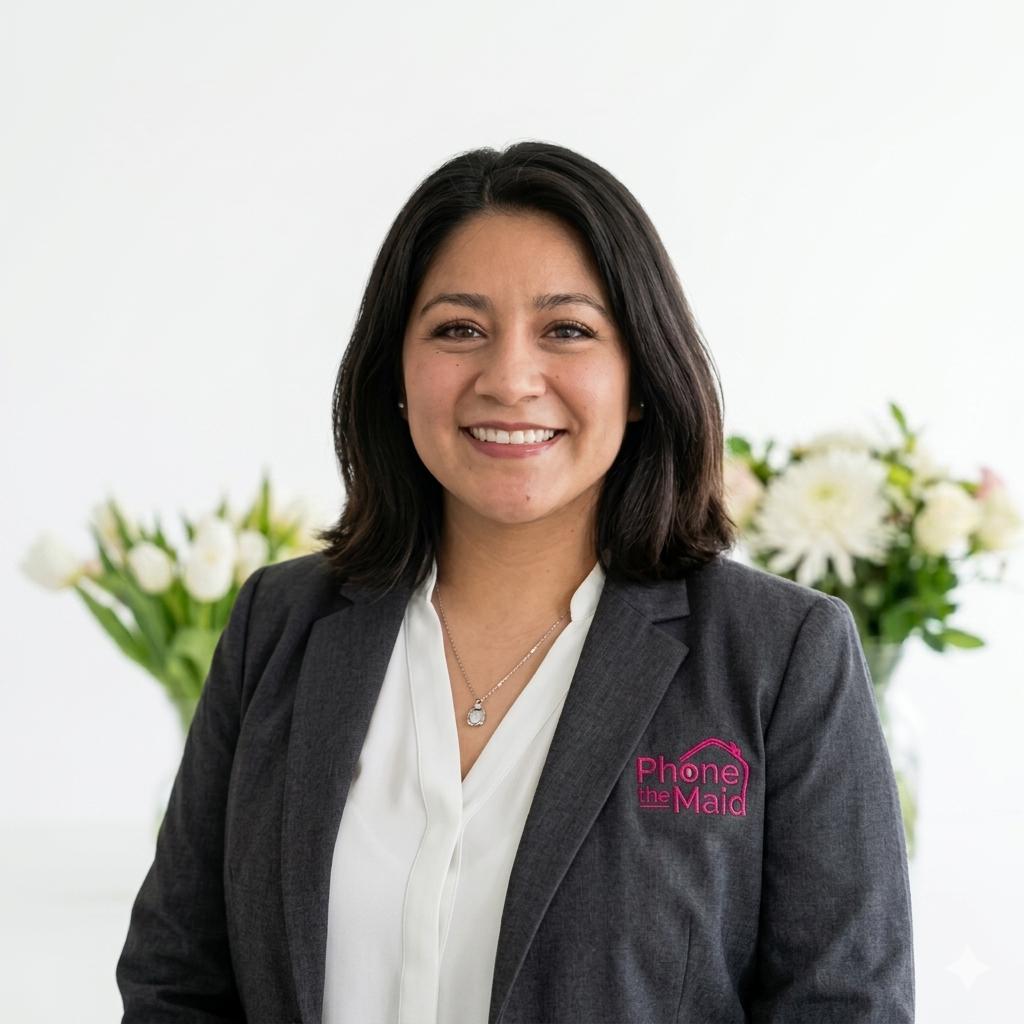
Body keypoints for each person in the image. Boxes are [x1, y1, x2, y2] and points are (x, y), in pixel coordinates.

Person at [116, 141, 915, 1024]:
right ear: (396, 375)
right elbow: (175, 983)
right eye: (459, 329)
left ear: (641, 376)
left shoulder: (778, 657)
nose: (509, 379)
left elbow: (844, 1005)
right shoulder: (280, 623)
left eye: (567, 330)